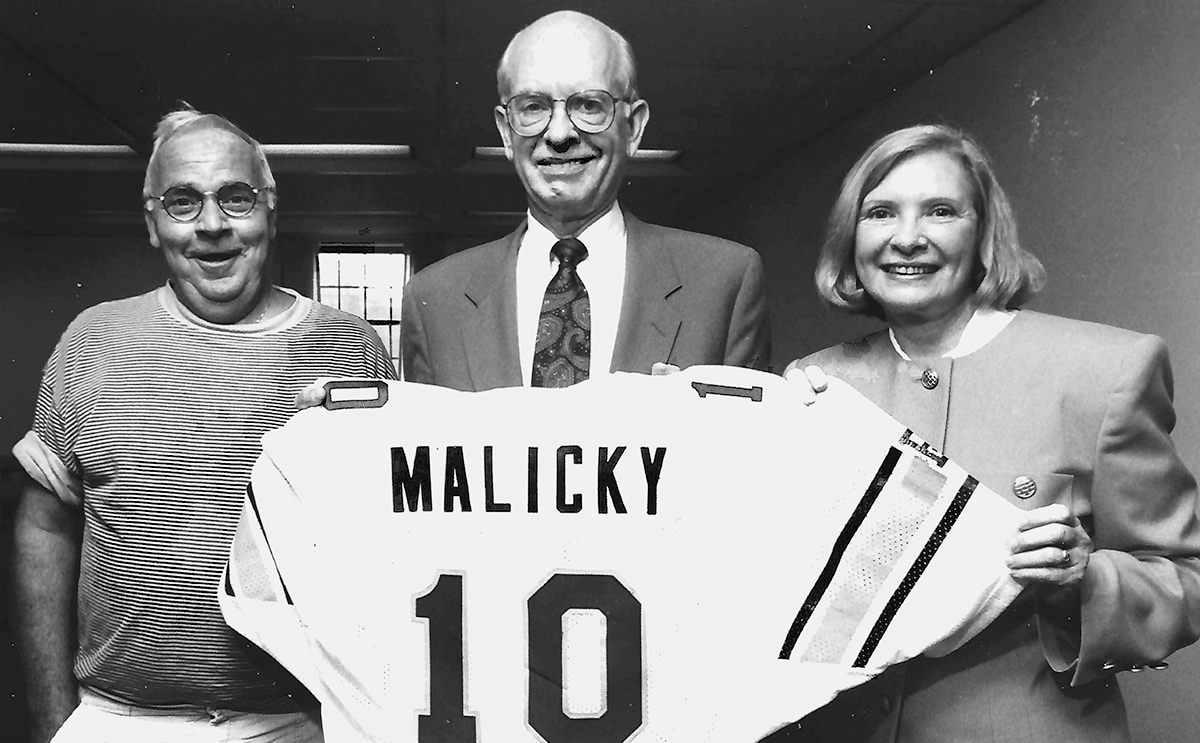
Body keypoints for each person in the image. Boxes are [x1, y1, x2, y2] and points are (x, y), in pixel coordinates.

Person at [781, 124, 1200, 741]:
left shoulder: (1104, 371)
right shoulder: (814, 384)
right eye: (880, 213)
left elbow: (1183, 578)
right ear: (851, 238)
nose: (907, 238)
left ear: (984, 233)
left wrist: (1083, 579)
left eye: (941, 211)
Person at [12, 106, 394, 743]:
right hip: (121, 721)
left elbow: (387, 546)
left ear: (272, 210)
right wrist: (55, 723)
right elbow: (44, 525)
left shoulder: (350, 346)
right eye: (183, 202)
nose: (213, 225)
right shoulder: (93, 342)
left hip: (298, 722)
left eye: (236, 198)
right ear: (153, 224)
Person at [402, 10, 770, 389]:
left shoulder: (724, 283)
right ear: (506, 133)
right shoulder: (434, 301)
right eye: (533, 107)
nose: (559, 134)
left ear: (634, 126)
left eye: (589, 106)